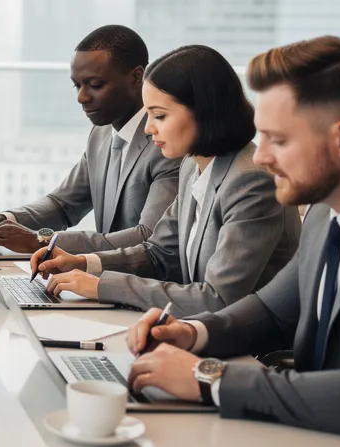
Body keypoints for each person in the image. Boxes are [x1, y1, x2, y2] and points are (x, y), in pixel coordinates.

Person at [122, 37, 340, 447]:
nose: (260, 156)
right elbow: (273, 311)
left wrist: (208, 377)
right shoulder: (326, 208)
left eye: (278, 140)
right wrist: (190, 333)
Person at [31, 45, 300, 313]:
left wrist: (100, 286)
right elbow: (159, 253)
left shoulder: (250, 181)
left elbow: (218, 299)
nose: (148, 128)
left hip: (252, 351)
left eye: (159, 115)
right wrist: (83, 264)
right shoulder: (192, 166)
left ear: (204, 111)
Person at [0, 25, 181, 254]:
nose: (81, 97)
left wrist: (42, 241)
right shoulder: (101, 134)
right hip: (97, 277)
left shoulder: (165, 144)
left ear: (136, 77)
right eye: (77, 85)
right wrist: (2, 221)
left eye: (95, 85)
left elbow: (148, 237)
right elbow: (62, 205)